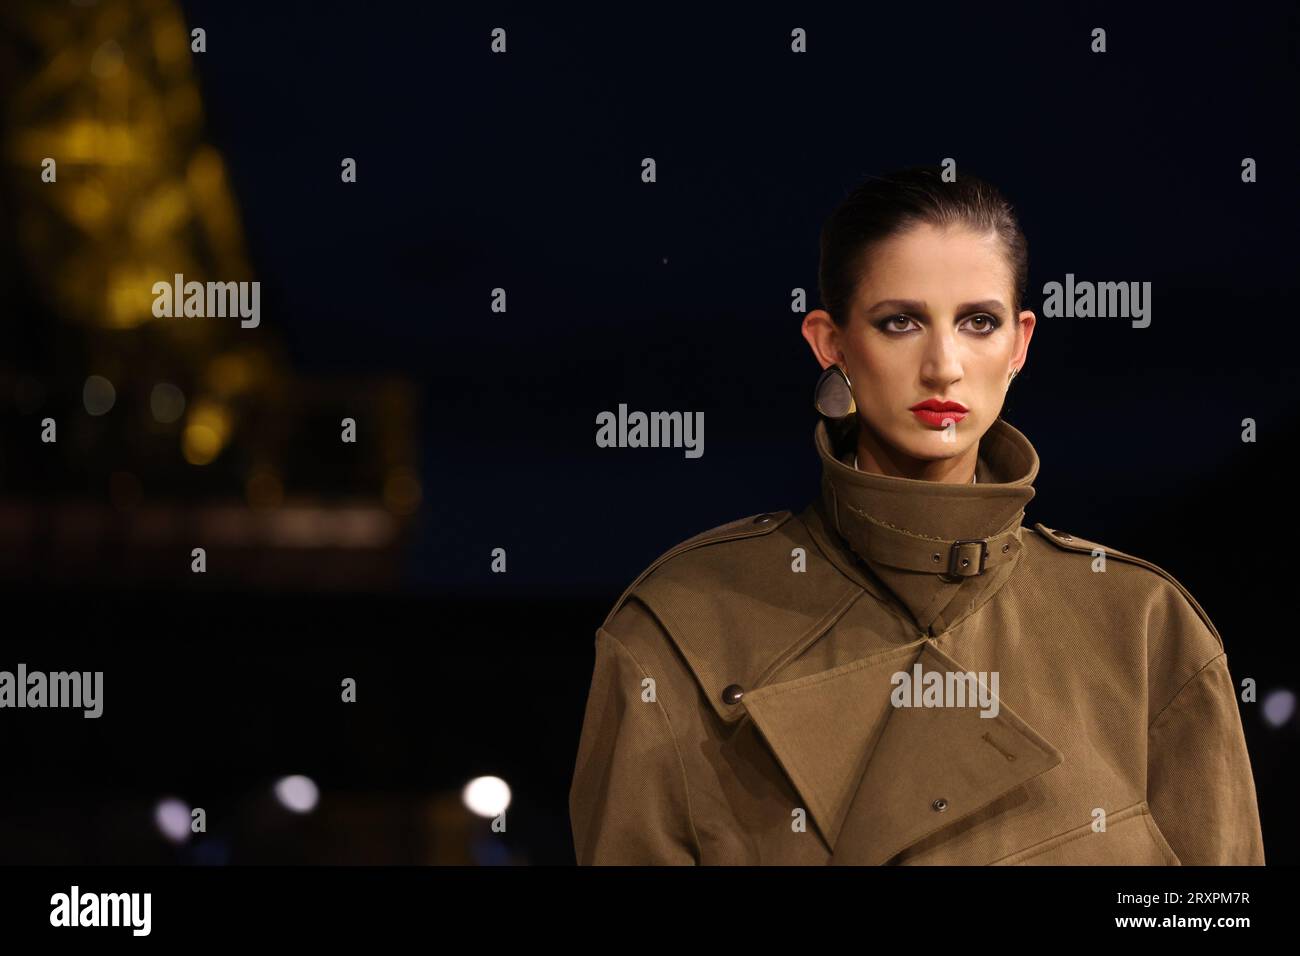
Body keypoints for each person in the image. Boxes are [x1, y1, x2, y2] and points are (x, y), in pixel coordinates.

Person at [568, 166, 1265, 865]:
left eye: (978, 322)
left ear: (1019, 344)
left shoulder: (1142, 625)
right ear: (829, 343)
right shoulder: (683, 628)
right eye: (899, 322)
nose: (943, 366)